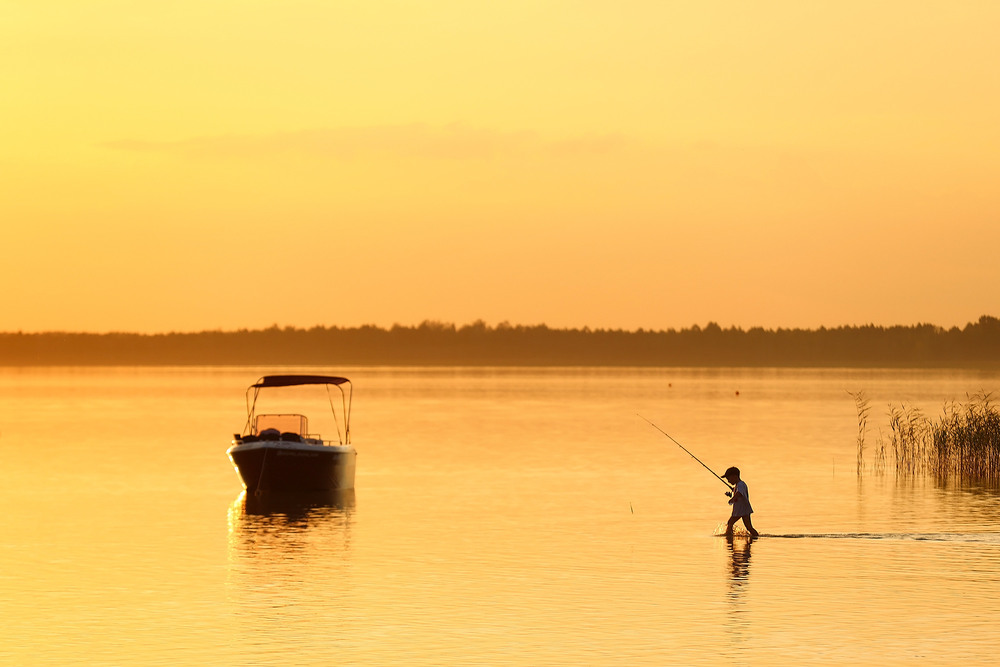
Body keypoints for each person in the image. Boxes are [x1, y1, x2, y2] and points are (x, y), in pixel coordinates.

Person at [722, 466, 759, 538]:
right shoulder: (739, 485)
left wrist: (732, 499)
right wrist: (731, 495)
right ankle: (756, 536)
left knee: (730, 522)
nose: (728, 481)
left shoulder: (741, 484)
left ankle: (729, 537)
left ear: (734, 476)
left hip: (741, 509)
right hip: (744, 509)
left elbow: (739, 494)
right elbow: (739, 496)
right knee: (749, 527)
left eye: (728, 479)